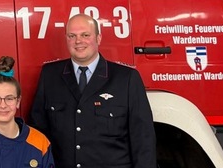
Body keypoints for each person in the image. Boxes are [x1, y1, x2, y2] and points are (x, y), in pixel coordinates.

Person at [29, 14, 156, 168]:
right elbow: (37, 131)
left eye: (85, 35)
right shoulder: (50, 75)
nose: (78, 41)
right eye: (72, 36)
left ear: (98, 38)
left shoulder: (126, 78)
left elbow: (143, 139)